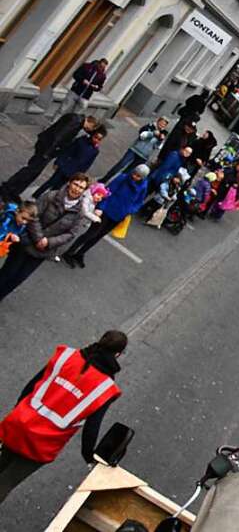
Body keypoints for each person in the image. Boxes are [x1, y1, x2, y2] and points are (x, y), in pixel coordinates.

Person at [0, 330, 126, 504]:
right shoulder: (105, 388)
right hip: (42, 443)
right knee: (6, 481)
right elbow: (92, 428)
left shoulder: (66, 356)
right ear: (118, 354)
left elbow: (31, 386)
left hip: (18, 423)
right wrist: (89, 457)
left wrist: (18, 413)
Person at [0, 174, 92, 302]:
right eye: (76, 184)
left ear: (84, 191)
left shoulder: (80, 212)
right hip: (27, 241)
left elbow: (71, 234)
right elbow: (33, 216)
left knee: (18, 278)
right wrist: (39, 238)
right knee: (7, 273)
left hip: (45, 250)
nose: (77, 189)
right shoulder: (51, 196)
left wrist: (49, 242)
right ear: (69, 183)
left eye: (81, 187)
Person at [64, 166, 150, 269]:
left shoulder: (143, 186)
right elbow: (107, 192)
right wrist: (100, 207)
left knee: (98, 237)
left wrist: (130, 210)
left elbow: (139, 202)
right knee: (91, 234)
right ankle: (69, 252)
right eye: (135, 174)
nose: (135, 177)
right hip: (106, 211)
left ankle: (80, 253)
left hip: (119, 215)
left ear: (143, 177)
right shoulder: (123, 178)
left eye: (138, 176)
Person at [0, 113, 99, 201]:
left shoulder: (77, 121)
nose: (89, 131)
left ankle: (15, 191)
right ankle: (8, 187)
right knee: (31, 170)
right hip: (47, 148)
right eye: (91, 128)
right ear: (91, 123)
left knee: (34, 172)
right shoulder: (75, 122)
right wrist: (48, 153)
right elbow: (59, 136)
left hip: (48, 148)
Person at [33, 125, 107, 198]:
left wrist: (80, 175)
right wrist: (58, 161)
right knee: (51, 182)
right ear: (92, 135)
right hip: (64, 166)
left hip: (74, 172)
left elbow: (87, 164)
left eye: (99, 139)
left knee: (58, 187)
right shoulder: (81, 141)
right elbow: (67, 151)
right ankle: (35, 196)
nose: (96, 140)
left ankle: (47, 200)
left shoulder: (95, 151)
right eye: (96, 137)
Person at [100, 118, 168, 183]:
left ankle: (115, 183)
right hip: (134, 150)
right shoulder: (149, 126)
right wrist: (153, 133)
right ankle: (105, 179)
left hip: (144, 156)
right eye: (161, 123)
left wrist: (160, 139)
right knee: (120, 165)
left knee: (128, 172)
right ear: (158, 121)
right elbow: (142, 136)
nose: (161, 125)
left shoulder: (163, 133)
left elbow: (157, 147)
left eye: (164, 125)